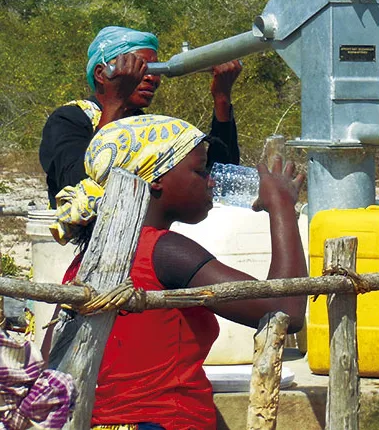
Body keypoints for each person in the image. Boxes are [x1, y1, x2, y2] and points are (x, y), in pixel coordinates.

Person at [43, 114, 307, 429]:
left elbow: (52, 355)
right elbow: (285, 312)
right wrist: (281, 207)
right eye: (200, 169)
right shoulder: (164, 252)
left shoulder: (85, 260)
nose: (211, 180)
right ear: (155, 178)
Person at [39, 26, 243, 208]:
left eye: (156, 70)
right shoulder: (69, 119)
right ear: (101, 74)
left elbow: (218, 180)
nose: (152, 78)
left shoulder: (146, 129)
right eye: (140, 69)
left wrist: (222, 98)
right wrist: (115, 102)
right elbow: (77, 183)